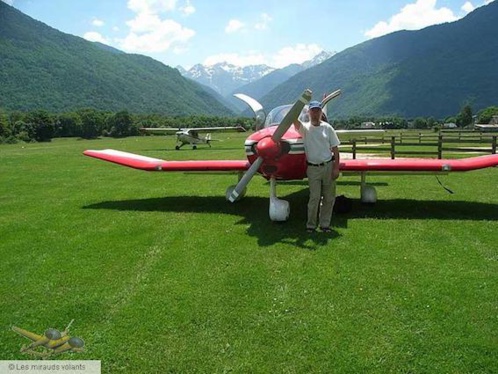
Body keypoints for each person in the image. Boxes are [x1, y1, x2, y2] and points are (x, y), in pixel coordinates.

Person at [293, 100, 341, 233]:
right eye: (313, 111)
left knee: (329, 198)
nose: (315, 113)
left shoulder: (328, 128)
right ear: (308, 112)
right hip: (313, 168)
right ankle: (311, 226)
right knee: (314, 197)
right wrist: (298, 105)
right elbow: (294, 120)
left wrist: (336, 168)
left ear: (321, 113)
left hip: (328, 166)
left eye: (317, 111)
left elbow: (335, 150)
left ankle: (325, 225)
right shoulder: (305, 128)